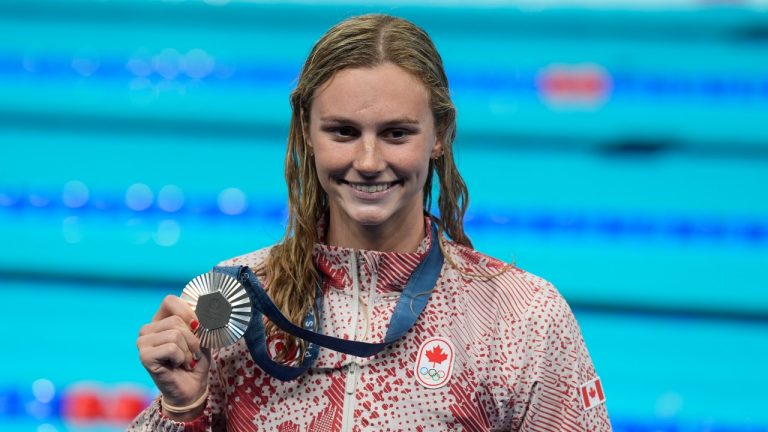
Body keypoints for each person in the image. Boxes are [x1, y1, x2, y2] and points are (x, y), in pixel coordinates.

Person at [130, 14, 611, 431]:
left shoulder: (520, 318)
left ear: (439, 134)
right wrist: (182, 406)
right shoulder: (239, 305)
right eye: (343, 131)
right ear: (306, 132)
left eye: (396, 133)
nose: (367, 160)